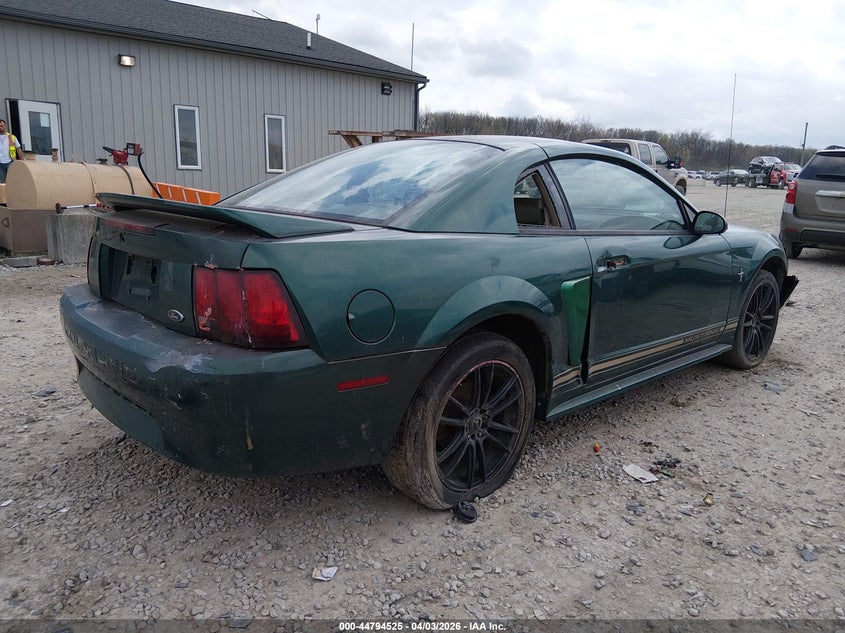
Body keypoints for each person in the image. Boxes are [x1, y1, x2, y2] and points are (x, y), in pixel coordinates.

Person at [0, 118, 23, 183]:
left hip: (10, 162)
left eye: (2, 126)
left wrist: (22, 161)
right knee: (2, 183)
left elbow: (18, 149)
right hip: (0, 164)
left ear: (5, 126)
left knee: (11, 181)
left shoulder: (12, 137)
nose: (0, 128)